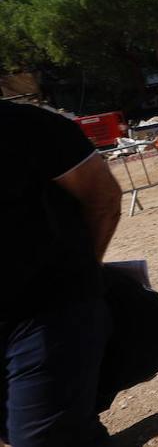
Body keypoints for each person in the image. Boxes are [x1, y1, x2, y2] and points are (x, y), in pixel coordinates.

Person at [2, 101, 122, 446]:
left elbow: (103, 197)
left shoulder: (24, 126)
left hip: (46, 311)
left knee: (45, 438)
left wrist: (83, 277)